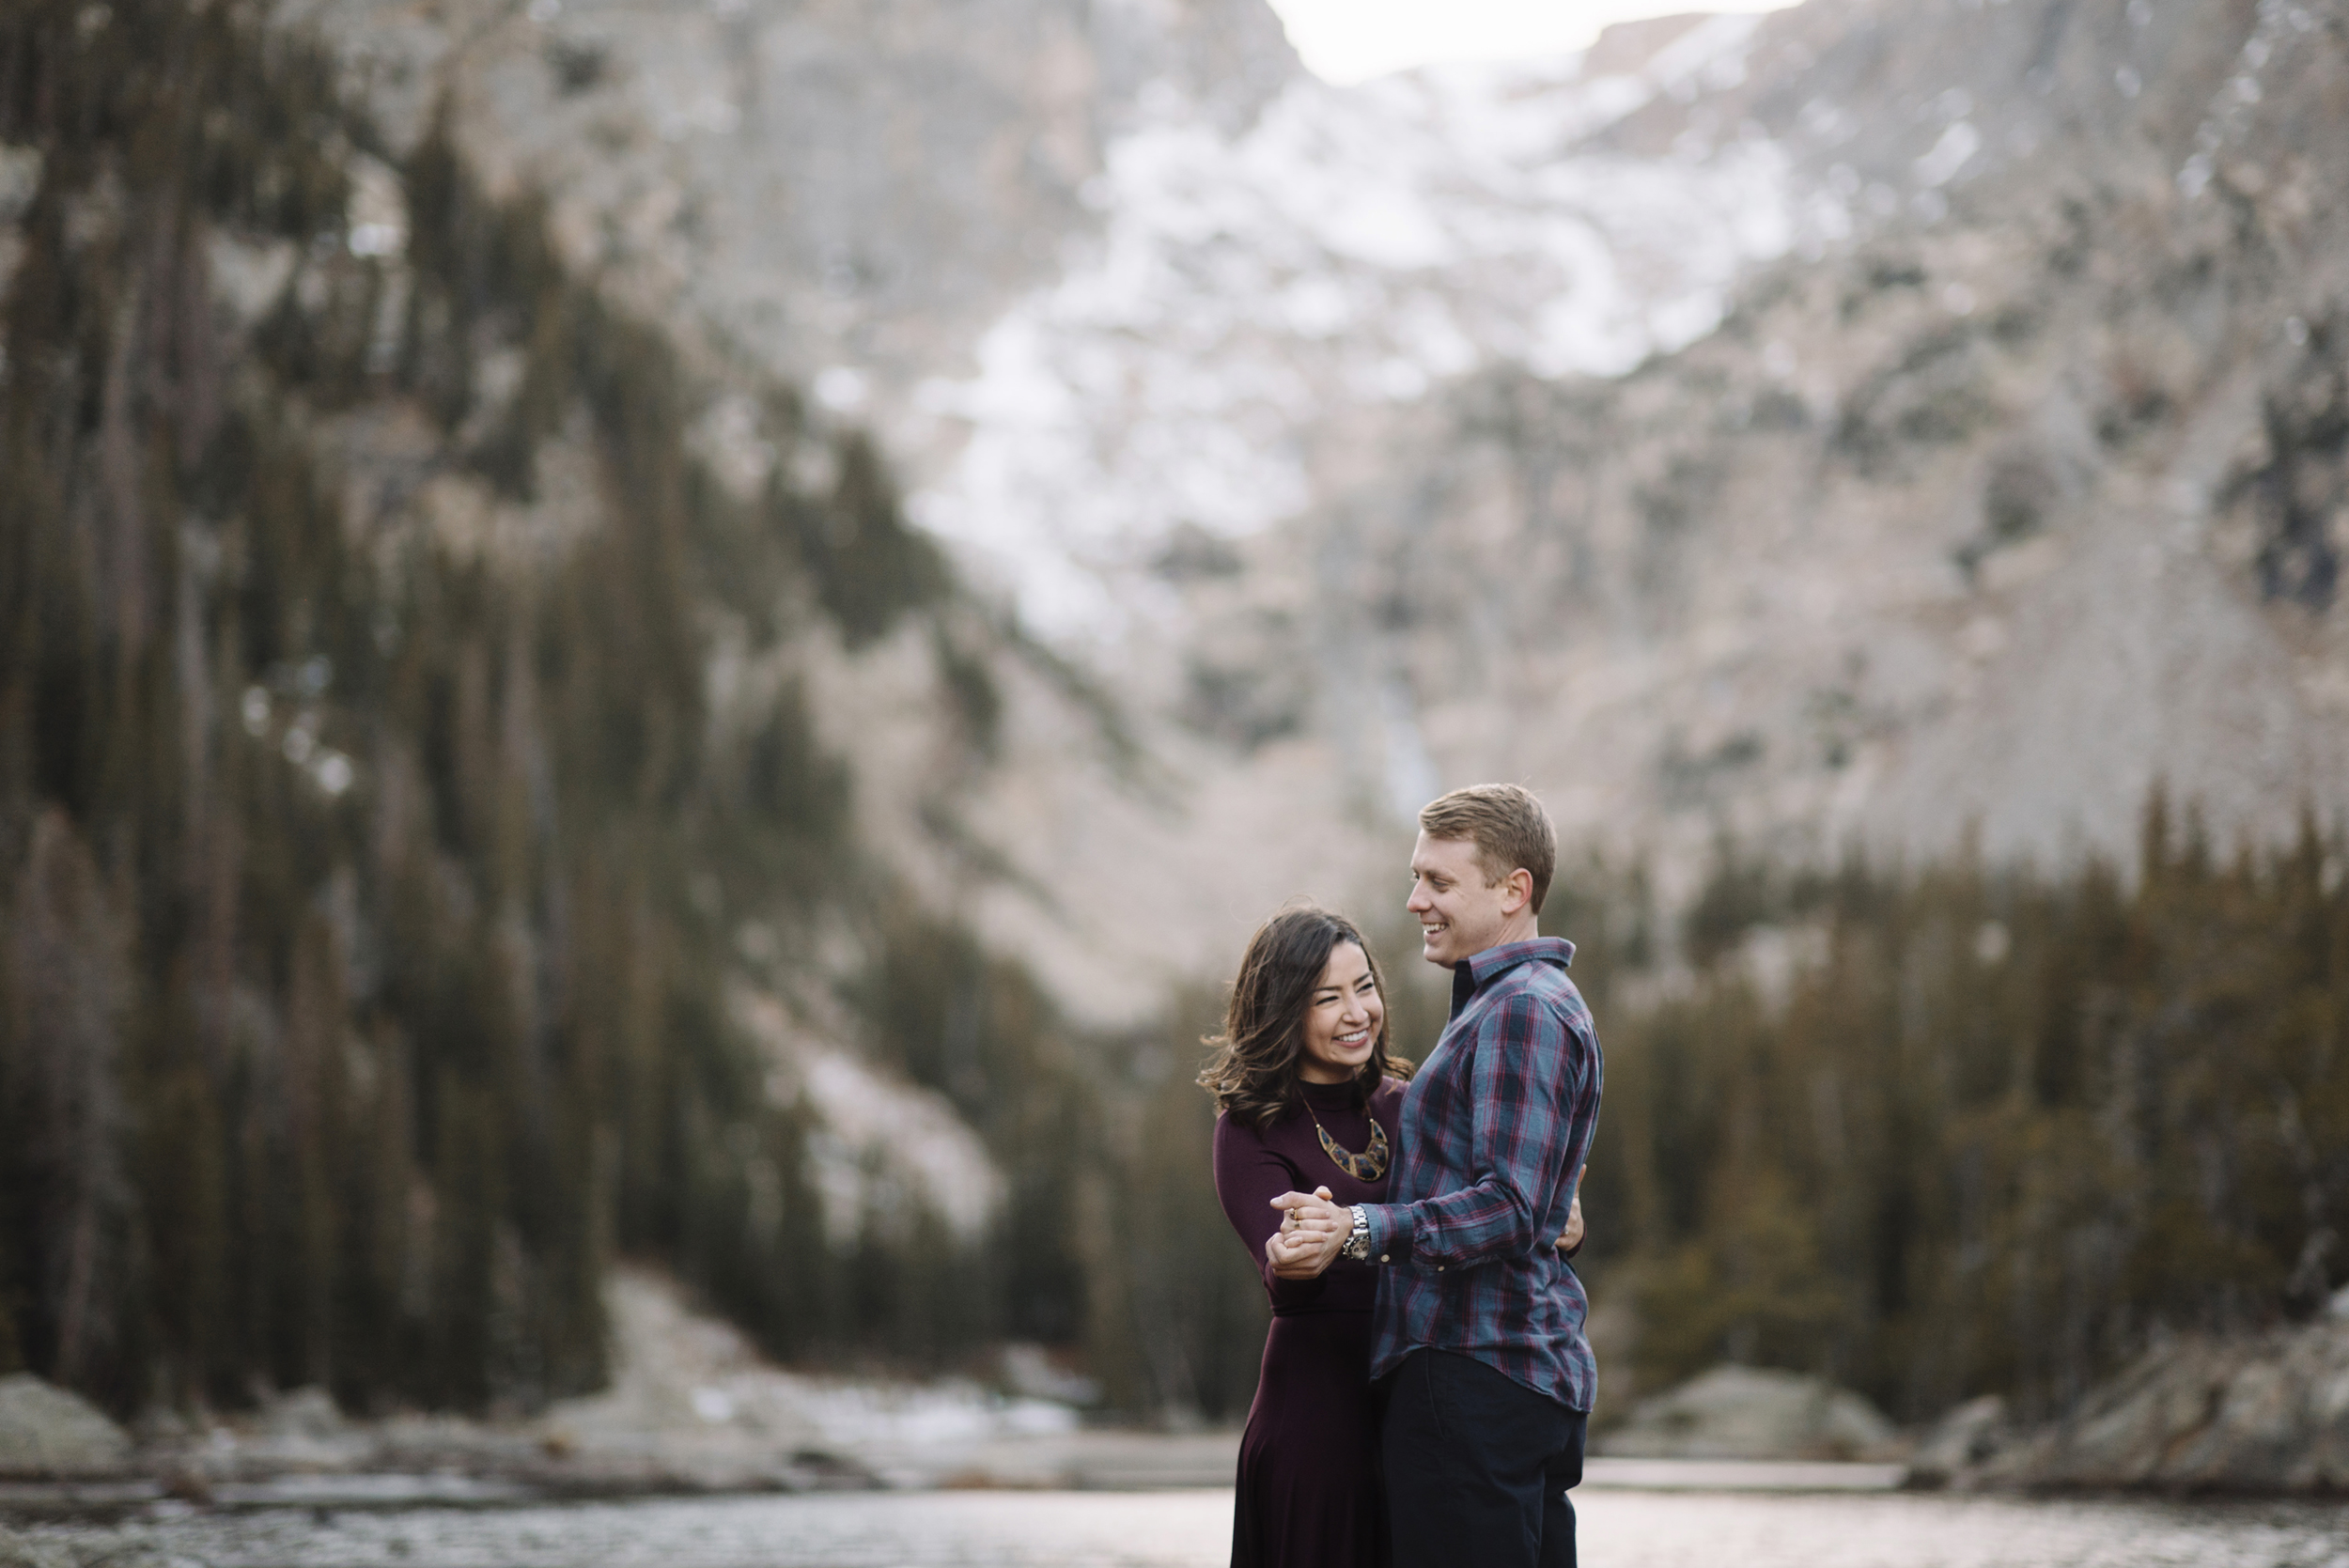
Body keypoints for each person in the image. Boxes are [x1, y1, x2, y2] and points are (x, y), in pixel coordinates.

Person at [1270, 784, 1602, 1568]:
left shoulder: (1520, 1008)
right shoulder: (1513, 1003)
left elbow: (1511, 1206)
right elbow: (1532, 1200)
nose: (1415, 899)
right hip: (1507, 1374)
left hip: (1471, 1373)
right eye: (1418, 877)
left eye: (1440, 882)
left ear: (1514, 890)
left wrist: (1359, 1228)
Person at [1202, 906, 1413, 1568]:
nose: (1357, 1012)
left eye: (1364, 986)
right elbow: (1283, 1260)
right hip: (1314, 1430)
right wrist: (1295, 1253)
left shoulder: (1408, 1104)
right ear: (1283, 1010)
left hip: (1419, 1420)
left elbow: (1479, 1210)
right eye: (1328, 997)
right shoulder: (1251, 1126)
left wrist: (1557, 1218)